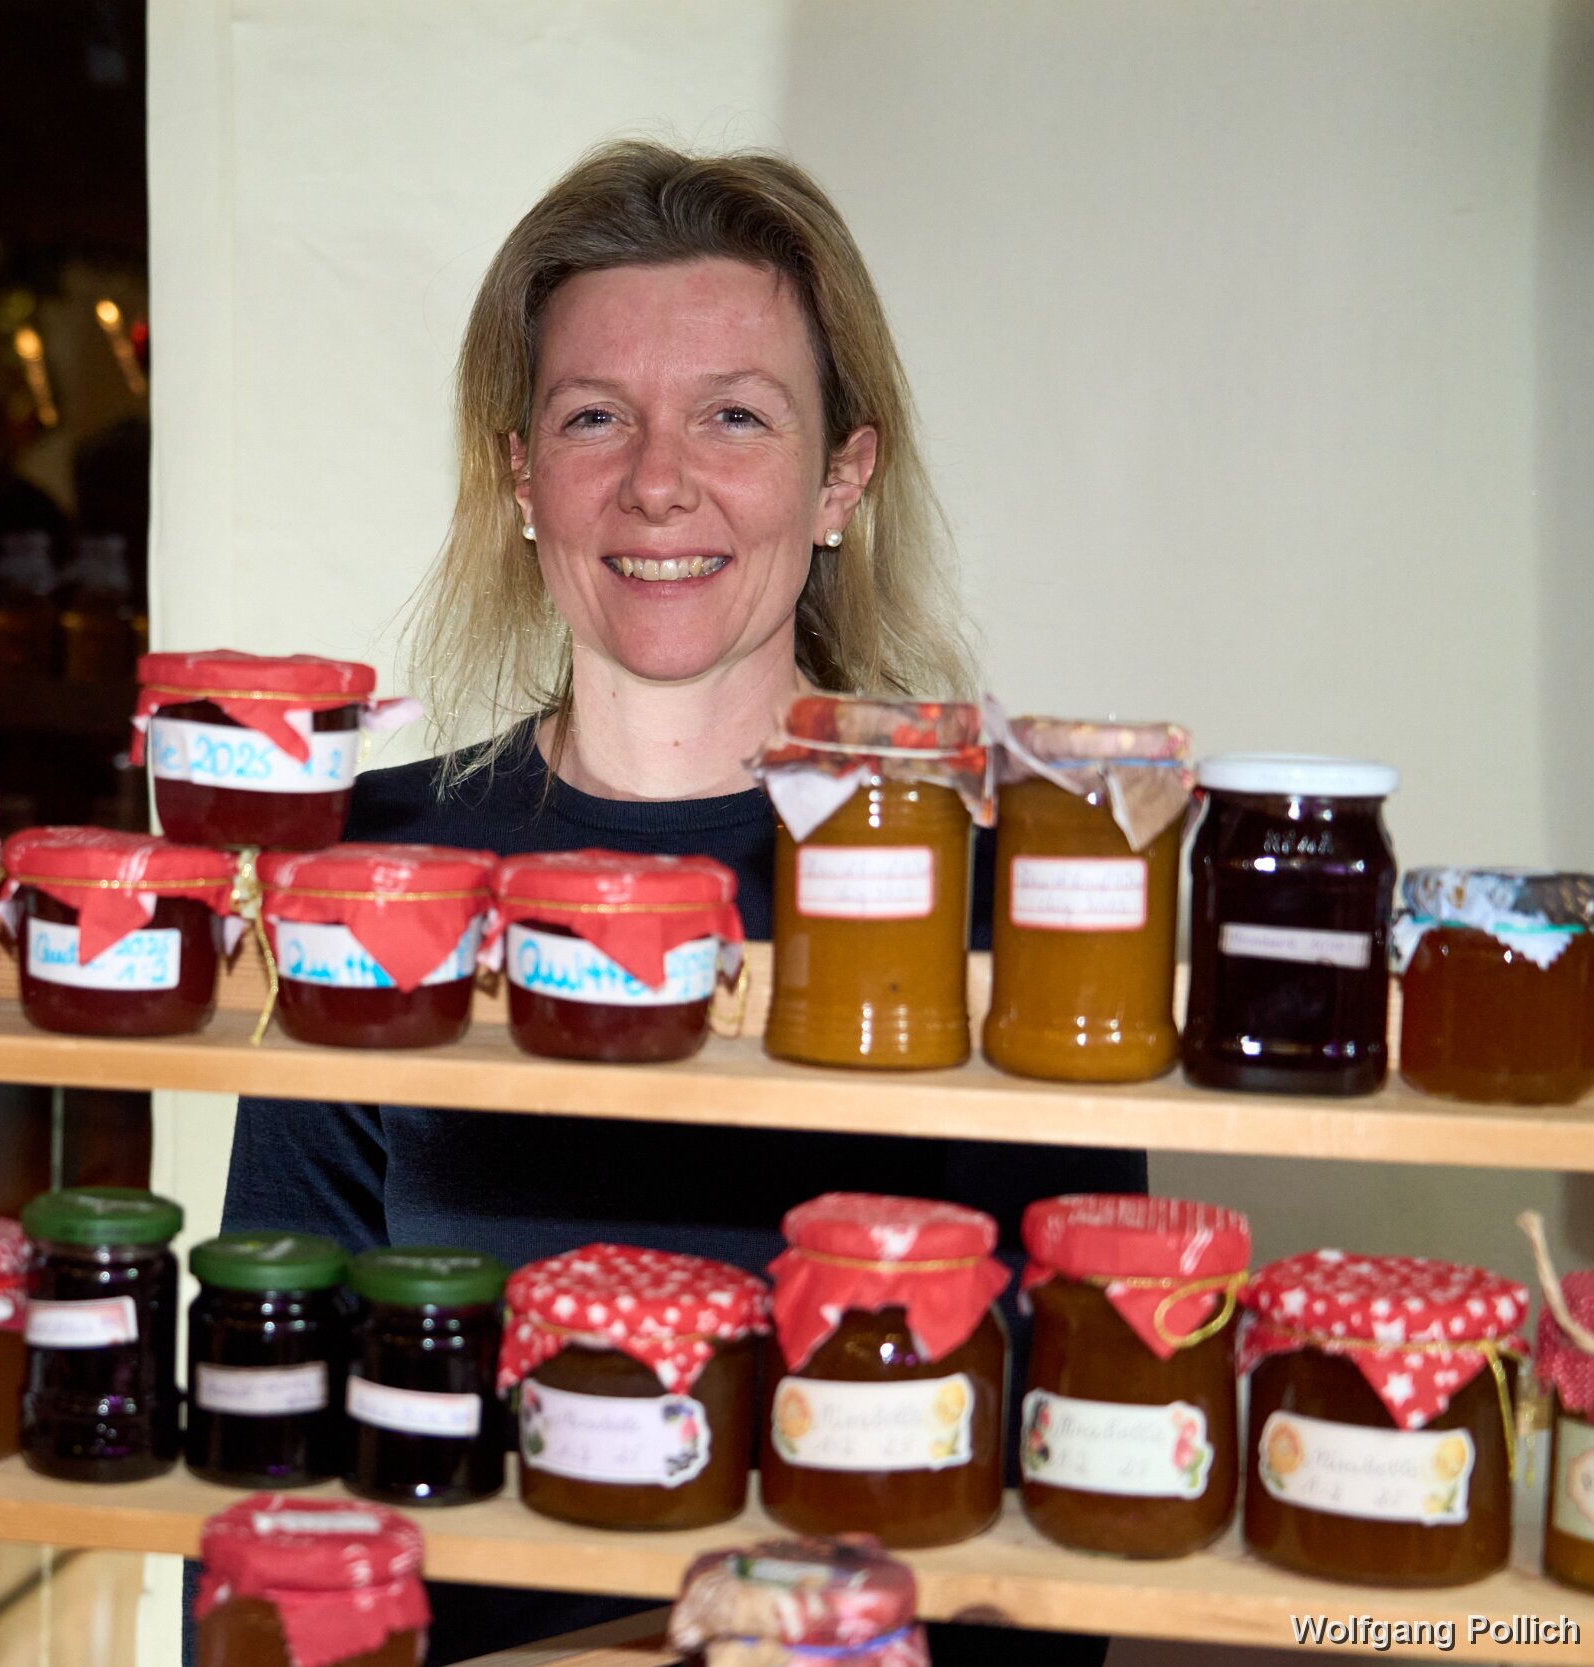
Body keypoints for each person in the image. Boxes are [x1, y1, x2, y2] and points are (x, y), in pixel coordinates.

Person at [219, 143, 1140, 1665]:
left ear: (842, 478)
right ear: (521, 477)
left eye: (735, 415)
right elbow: (281, 1424)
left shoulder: (997, 898)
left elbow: (1064, 1485)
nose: (658, 481)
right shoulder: (374, 862)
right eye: (595, 416)